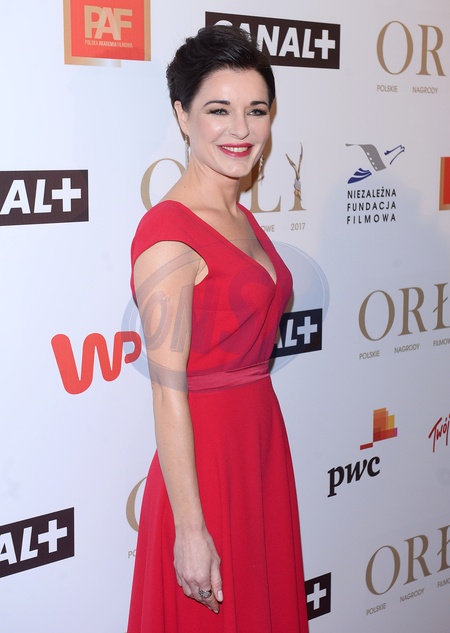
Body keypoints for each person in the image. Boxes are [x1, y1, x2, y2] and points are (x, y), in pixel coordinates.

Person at [127, 24, 309, 633]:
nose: (241, 129)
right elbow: (166, 391)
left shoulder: (242, 215)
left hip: (259, 444)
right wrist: (191, 529)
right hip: (205, 465)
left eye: (256, 110)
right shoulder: (168, 234)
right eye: (218, 110)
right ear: (183, 116)